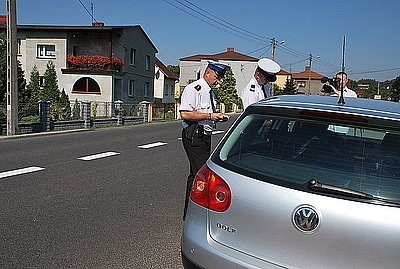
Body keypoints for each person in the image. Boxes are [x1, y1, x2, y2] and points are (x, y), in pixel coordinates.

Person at [179, 61, 229, 220]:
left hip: (205, 136)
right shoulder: (194, 89)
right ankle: (195, 213)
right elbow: (185, 114)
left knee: (195, 175)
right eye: (217, 76)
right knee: (201, 175)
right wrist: (210, 116)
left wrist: (216, 118)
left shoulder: (210, 92)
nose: (218, 80)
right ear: (207, 73)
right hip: (195, 136)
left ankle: (190, 212)